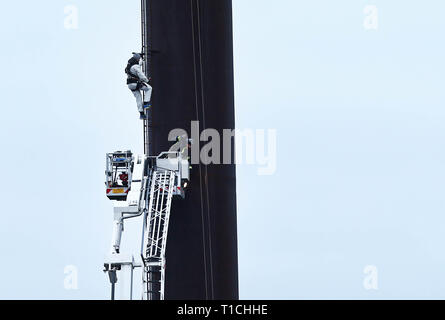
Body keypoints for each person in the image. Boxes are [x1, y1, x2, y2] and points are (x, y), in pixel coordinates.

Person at [126, 53, 152, 119]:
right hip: (135, 83)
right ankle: (146, 103)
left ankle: (141, 114)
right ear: (137, 59)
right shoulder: (135, 66)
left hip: (130, 85)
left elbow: (138, 65)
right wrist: (147, 81)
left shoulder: (129, 66)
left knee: (138, 98)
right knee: (149, 88)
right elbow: (141, 74)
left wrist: (142, 61)